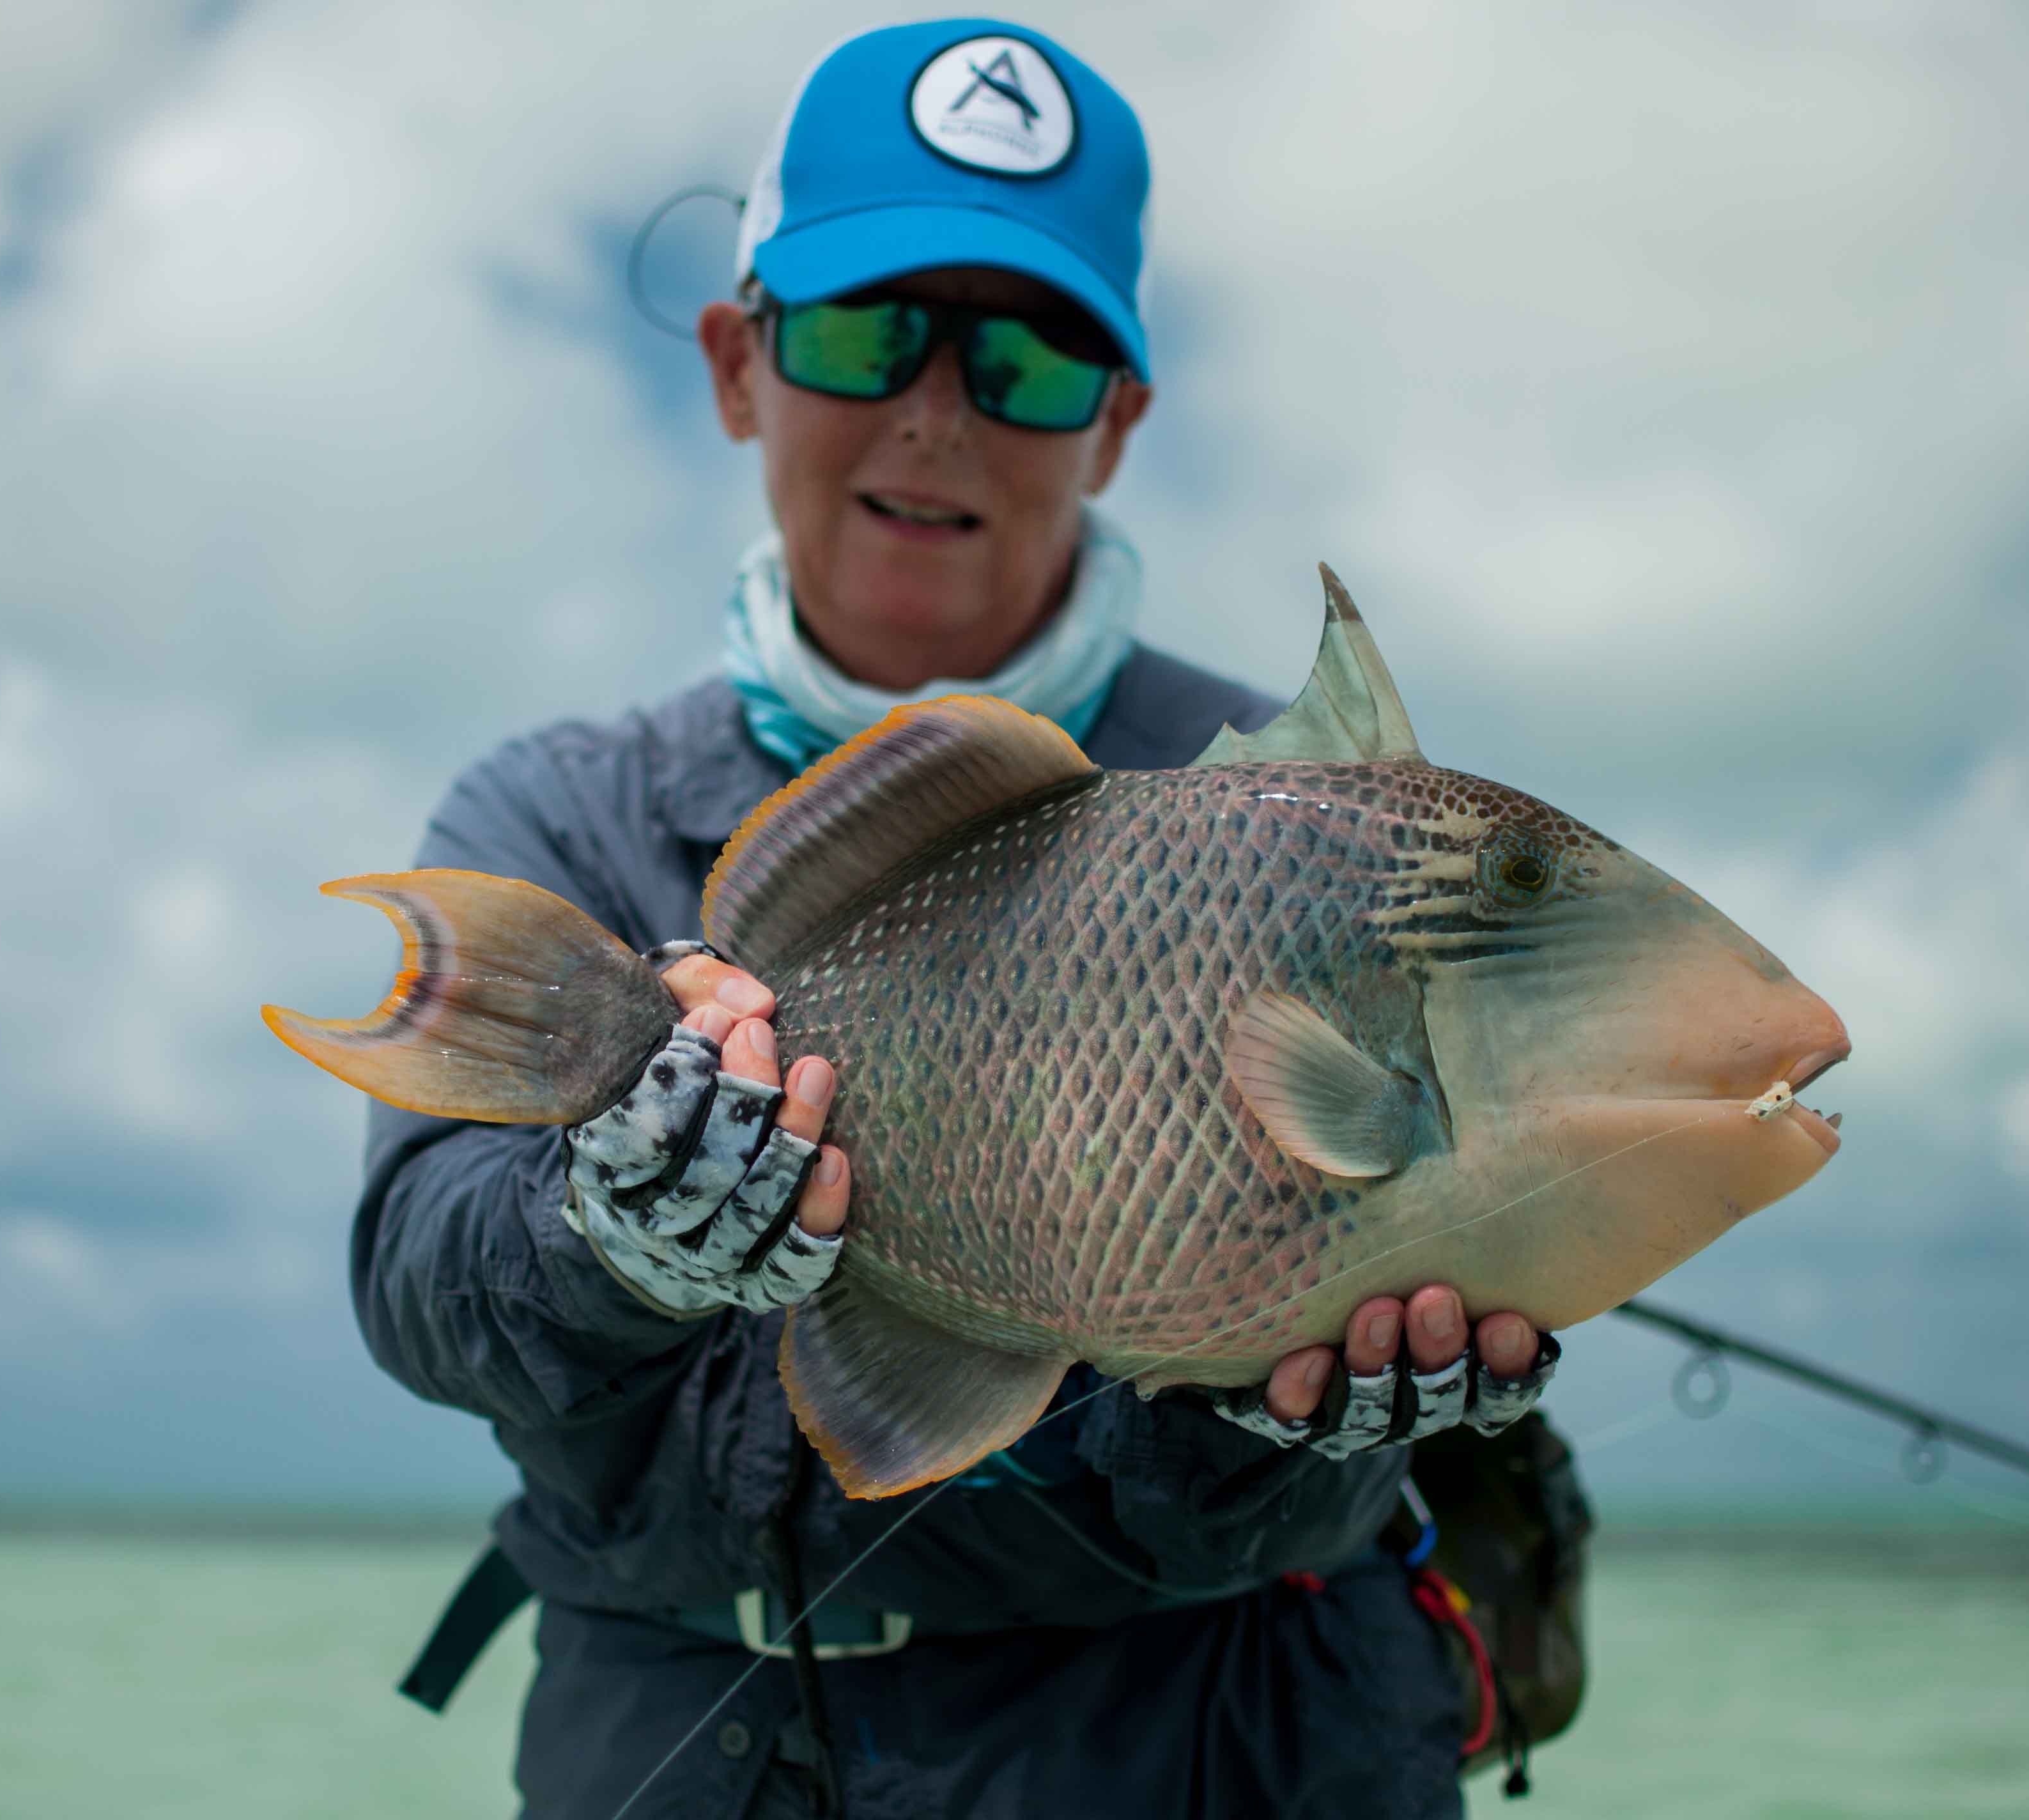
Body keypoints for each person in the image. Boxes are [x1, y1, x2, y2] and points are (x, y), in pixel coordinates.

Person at [358, 22, 1560, 1818]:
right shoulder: (560, 824)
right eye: (863, 331)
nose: (936, 413)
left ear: (1121, 419)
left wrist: (1290, 1408)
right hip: (687, 1740)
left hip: (1215, 1736)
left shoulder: (1306, 825)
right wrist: (607, 1233)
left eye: (1028, 357)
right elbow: (421, 1282)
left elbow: (1447, 1237)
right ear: (736, 363)